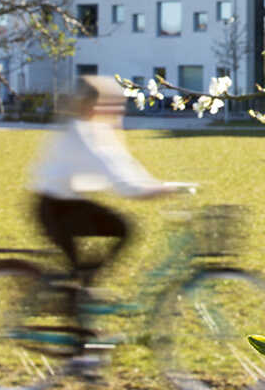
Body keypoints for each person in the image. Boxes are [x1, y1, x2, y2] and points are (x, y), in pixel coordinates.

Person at [27, 76, 184, 335]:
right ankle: (79, 326)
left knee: (108, 243)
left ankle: (82, 296)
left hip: (69, 203)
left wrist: (160, 184)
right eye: (112, 105)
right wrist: (153, 190)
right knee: (115, 235)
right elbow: (118, 177)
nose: (117, 110)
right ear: (93, 106)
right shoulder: (81, 133)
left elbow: (123, 166)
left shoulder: (95, 130)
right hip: (54, 207)